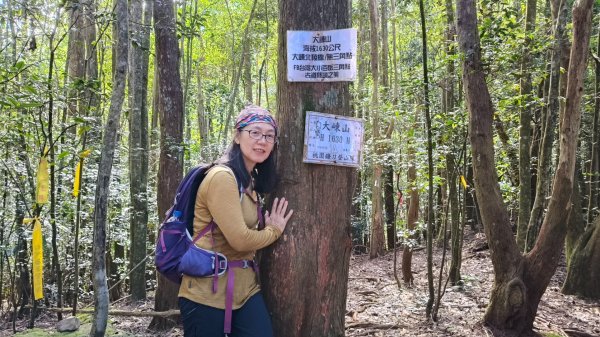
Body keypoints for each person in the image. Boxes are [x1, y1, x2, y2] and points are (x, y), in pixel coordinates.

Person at [178, 104, 293, 337]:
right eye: (255, 132)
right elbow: (240, 240)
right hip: (205, 294)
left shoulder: (249, 180)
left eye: (269, 136)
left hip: (245, 291)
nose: (262, 141)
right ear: (238, 136)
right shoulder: (222, 177)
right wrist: (274, 231)